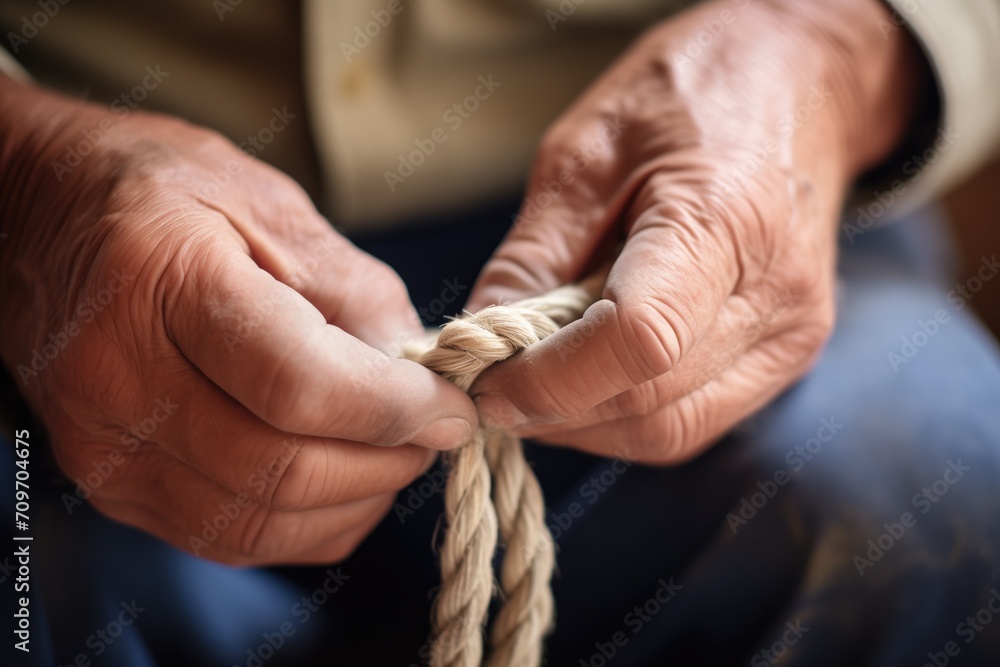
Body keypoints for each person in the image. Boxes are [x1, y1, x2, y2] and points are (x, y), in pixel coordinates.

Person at [1, 0, 999, 665]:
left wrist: (829, 46)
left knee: (927, 471)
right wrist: (24, 176)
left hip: (667, 199)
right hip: (83, 225)